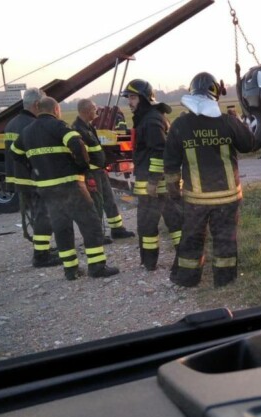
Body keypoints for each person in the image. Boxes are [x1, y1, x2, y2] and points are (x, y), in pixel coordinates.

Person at [12, 96, 119, 280]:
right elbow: (77, 145)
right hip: (70, 184)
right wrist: (82, 168)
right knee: (90, 223)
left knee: (62, 227)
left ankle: (71, 270)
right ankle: (97, 267)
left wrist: (34, 168)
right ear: (55, 110)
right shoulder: (59, 126)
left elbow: (15, 152)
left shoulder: (27, 132)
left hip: (47, 188)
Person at [165, 72, 255, 287]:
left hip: (196, 200)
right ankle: (225, 282)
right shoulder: (228, 122)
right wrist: (242, 123)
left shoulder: (179, 125)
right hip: (228, 197)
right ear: (215, 93)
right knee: (225, 239)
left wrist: (174, 193)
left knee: (192, 239)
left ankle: (187, 280)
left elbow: (170, 164)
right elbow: (248, 145)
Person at [121, 79, 182, 271]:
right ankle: (179, 258)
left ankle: (152, 262)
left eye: (132, 97)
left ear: (145, 98)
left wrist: (153, 181)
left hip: (154, 185)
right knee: (174, 222)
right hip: (157, 183)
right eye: (128, 98)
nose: (129, 102)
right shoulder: (149, 117)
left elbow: (160, 152)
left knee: (148, 225)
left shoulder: (152, 120)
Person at [4, 88, 61, 268]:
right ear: (37, 104)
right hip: (33, 178)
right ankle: (41, 256)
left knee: (37, 215)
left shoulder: (12, 123)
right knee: (44, 215)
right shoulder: (31, 125)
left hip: (20, 177)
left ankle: (42, 248)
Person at [72, 99, 135, 242]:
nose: (96, 112)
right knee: (96, 204)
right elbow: (81, 155)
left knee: (109, 200)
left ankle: (117, 229)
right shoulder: (77, 129)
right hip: (91, 173)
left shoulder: (88, 127)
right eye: (94, 109)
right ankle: (97, 235)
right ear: (87, 111)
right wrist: (87, 174)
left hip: (99, 171)